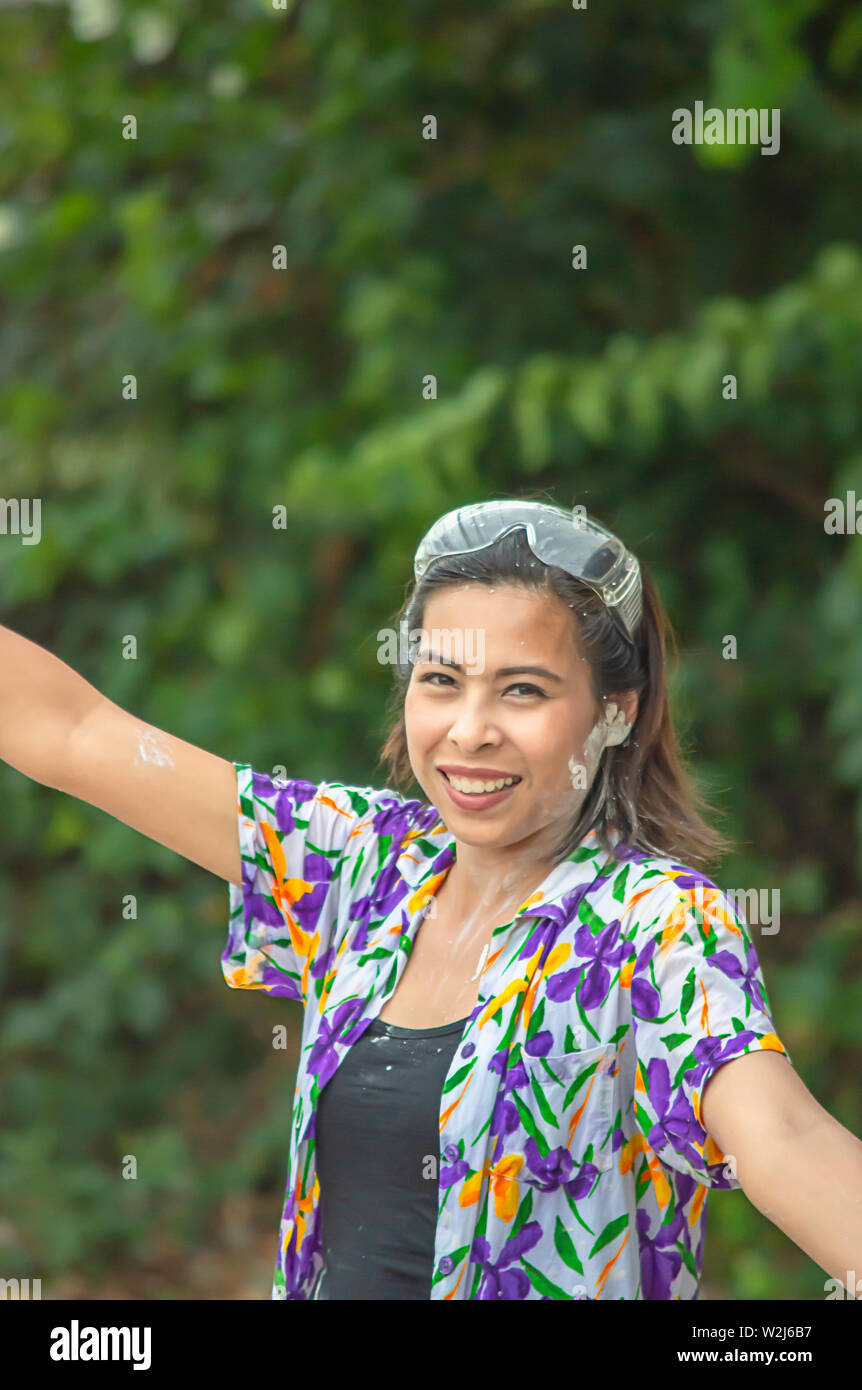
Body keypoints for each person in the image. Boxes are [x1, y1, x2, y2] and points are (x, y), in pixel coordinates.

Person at [1, 497, 859, 1300]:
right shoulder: (363, 866)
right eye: (441, 681)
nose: (469, 729)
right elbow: (76, 733)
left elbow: (781, 1135)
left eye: (523, 690)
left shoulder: (651, 922)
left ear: (615, 713)